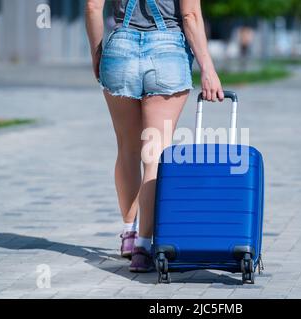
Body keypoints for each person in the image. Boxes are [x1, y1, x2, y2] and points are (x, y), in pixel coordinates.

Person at [85, 0, 224, 272]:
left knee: (127, 149)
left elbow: (92, 7)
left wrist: (96, 54)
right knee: (155, 154)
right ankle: (144, 246)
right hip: (168, 53)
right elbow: (190, 15)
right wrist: (208, 68)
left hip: (119, 50)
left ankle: (128, 233)